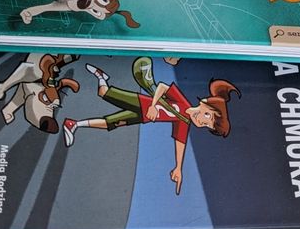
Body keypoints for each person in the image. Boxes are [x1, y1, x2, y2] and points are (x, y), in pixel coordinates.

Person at [62, 60, 240, 195]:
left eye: (207, 125)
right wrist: (154, 106)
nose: (202, 122)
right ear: (204, 102)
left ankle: (74, 124)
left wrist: (178, 168)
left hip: (144, 117)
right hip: (142, 103)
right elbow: (161, 87)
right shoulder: (183, 102)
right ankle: (101, 77)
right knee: (104, 93)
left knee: (110, 123)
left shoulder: (184, 122)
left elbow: (180, 144)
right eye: (207, 116)